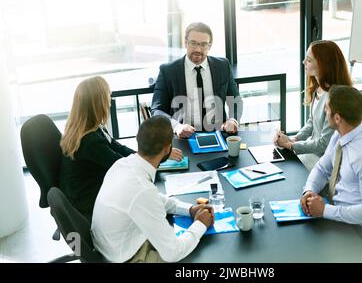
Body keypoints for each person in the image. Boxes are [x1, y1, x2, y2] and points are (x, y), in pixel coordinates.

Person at [91, 116, 214, 263]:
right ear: (168, 148)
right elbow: (173, 253)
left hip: (108, 245)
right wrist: (201, 224)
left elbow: (152, 198)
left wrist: (189, 209)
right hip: (126, 258)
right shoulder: (142, 191)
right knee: (199, 256)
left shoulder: (122, 164)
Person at [59, 76, 183, 221]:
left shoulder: (89, 128)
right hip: (90, 202)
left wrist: (149, 154)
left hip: (93, 189)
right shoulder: (90, 141)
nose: (110, 102)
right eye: (107, 97)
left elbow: (120, 148)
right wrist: (157, 156)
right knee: (151, 203)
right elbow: (123, 166)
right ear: (98, 104)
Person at [300, 85, 362, 230]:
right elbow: (322, 168)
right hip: (335, 210)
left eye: (327, 108)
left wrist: (325, 210)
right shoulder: (340, 134)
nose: (324, 110)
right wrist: (310, 190)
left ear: (337, 118)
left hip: (355, 228)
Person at [151, 22, 242, 138]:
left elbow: (235, 99)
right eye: (193, 43)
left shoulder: (223, 66)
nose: (198, 49)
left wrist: (233, 119)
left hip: (219, 133)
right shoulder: (168, 71)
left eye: (203, 44)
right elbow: (156, 110)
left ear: (210, 46)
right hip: (184, 136)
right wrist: (177, 126)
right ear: (185, 43)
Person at [274, 40, 353, 170]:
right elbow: (312, 122)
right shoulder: (319, 88)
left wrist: (291, 146)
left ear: (323, 66)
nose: (303, 62)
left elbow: (323, 144)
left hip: (325, 161)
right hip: (313, 154)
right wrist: (293, 139)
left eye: (309, 60)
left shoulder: (334, 99)